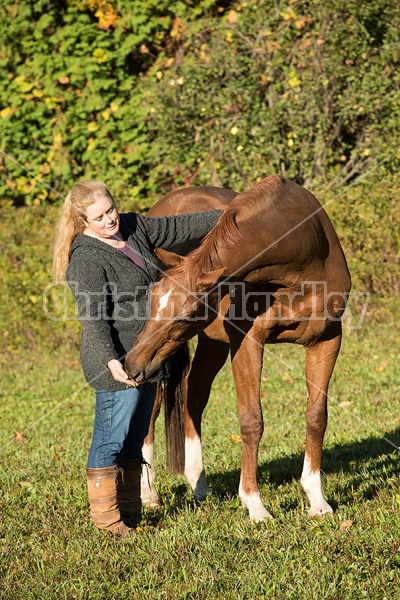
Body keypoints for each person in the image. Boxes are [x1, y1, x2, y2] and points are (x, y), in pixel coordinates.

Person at [52, 180, 222, 537]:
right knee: (110, 440)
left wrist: (236, 214)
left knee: (134, 438)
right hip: (120, 363)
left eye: (110, 210)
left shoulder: (133, 227)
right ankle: (109, 522)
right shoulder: (86, 258)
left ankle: (130, 512)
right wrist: (112, 362)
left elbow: (182, 226)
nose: (109, 220)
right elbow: (93, 319)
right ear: (83, 220)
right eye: (99, 217)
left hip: (150, 357)